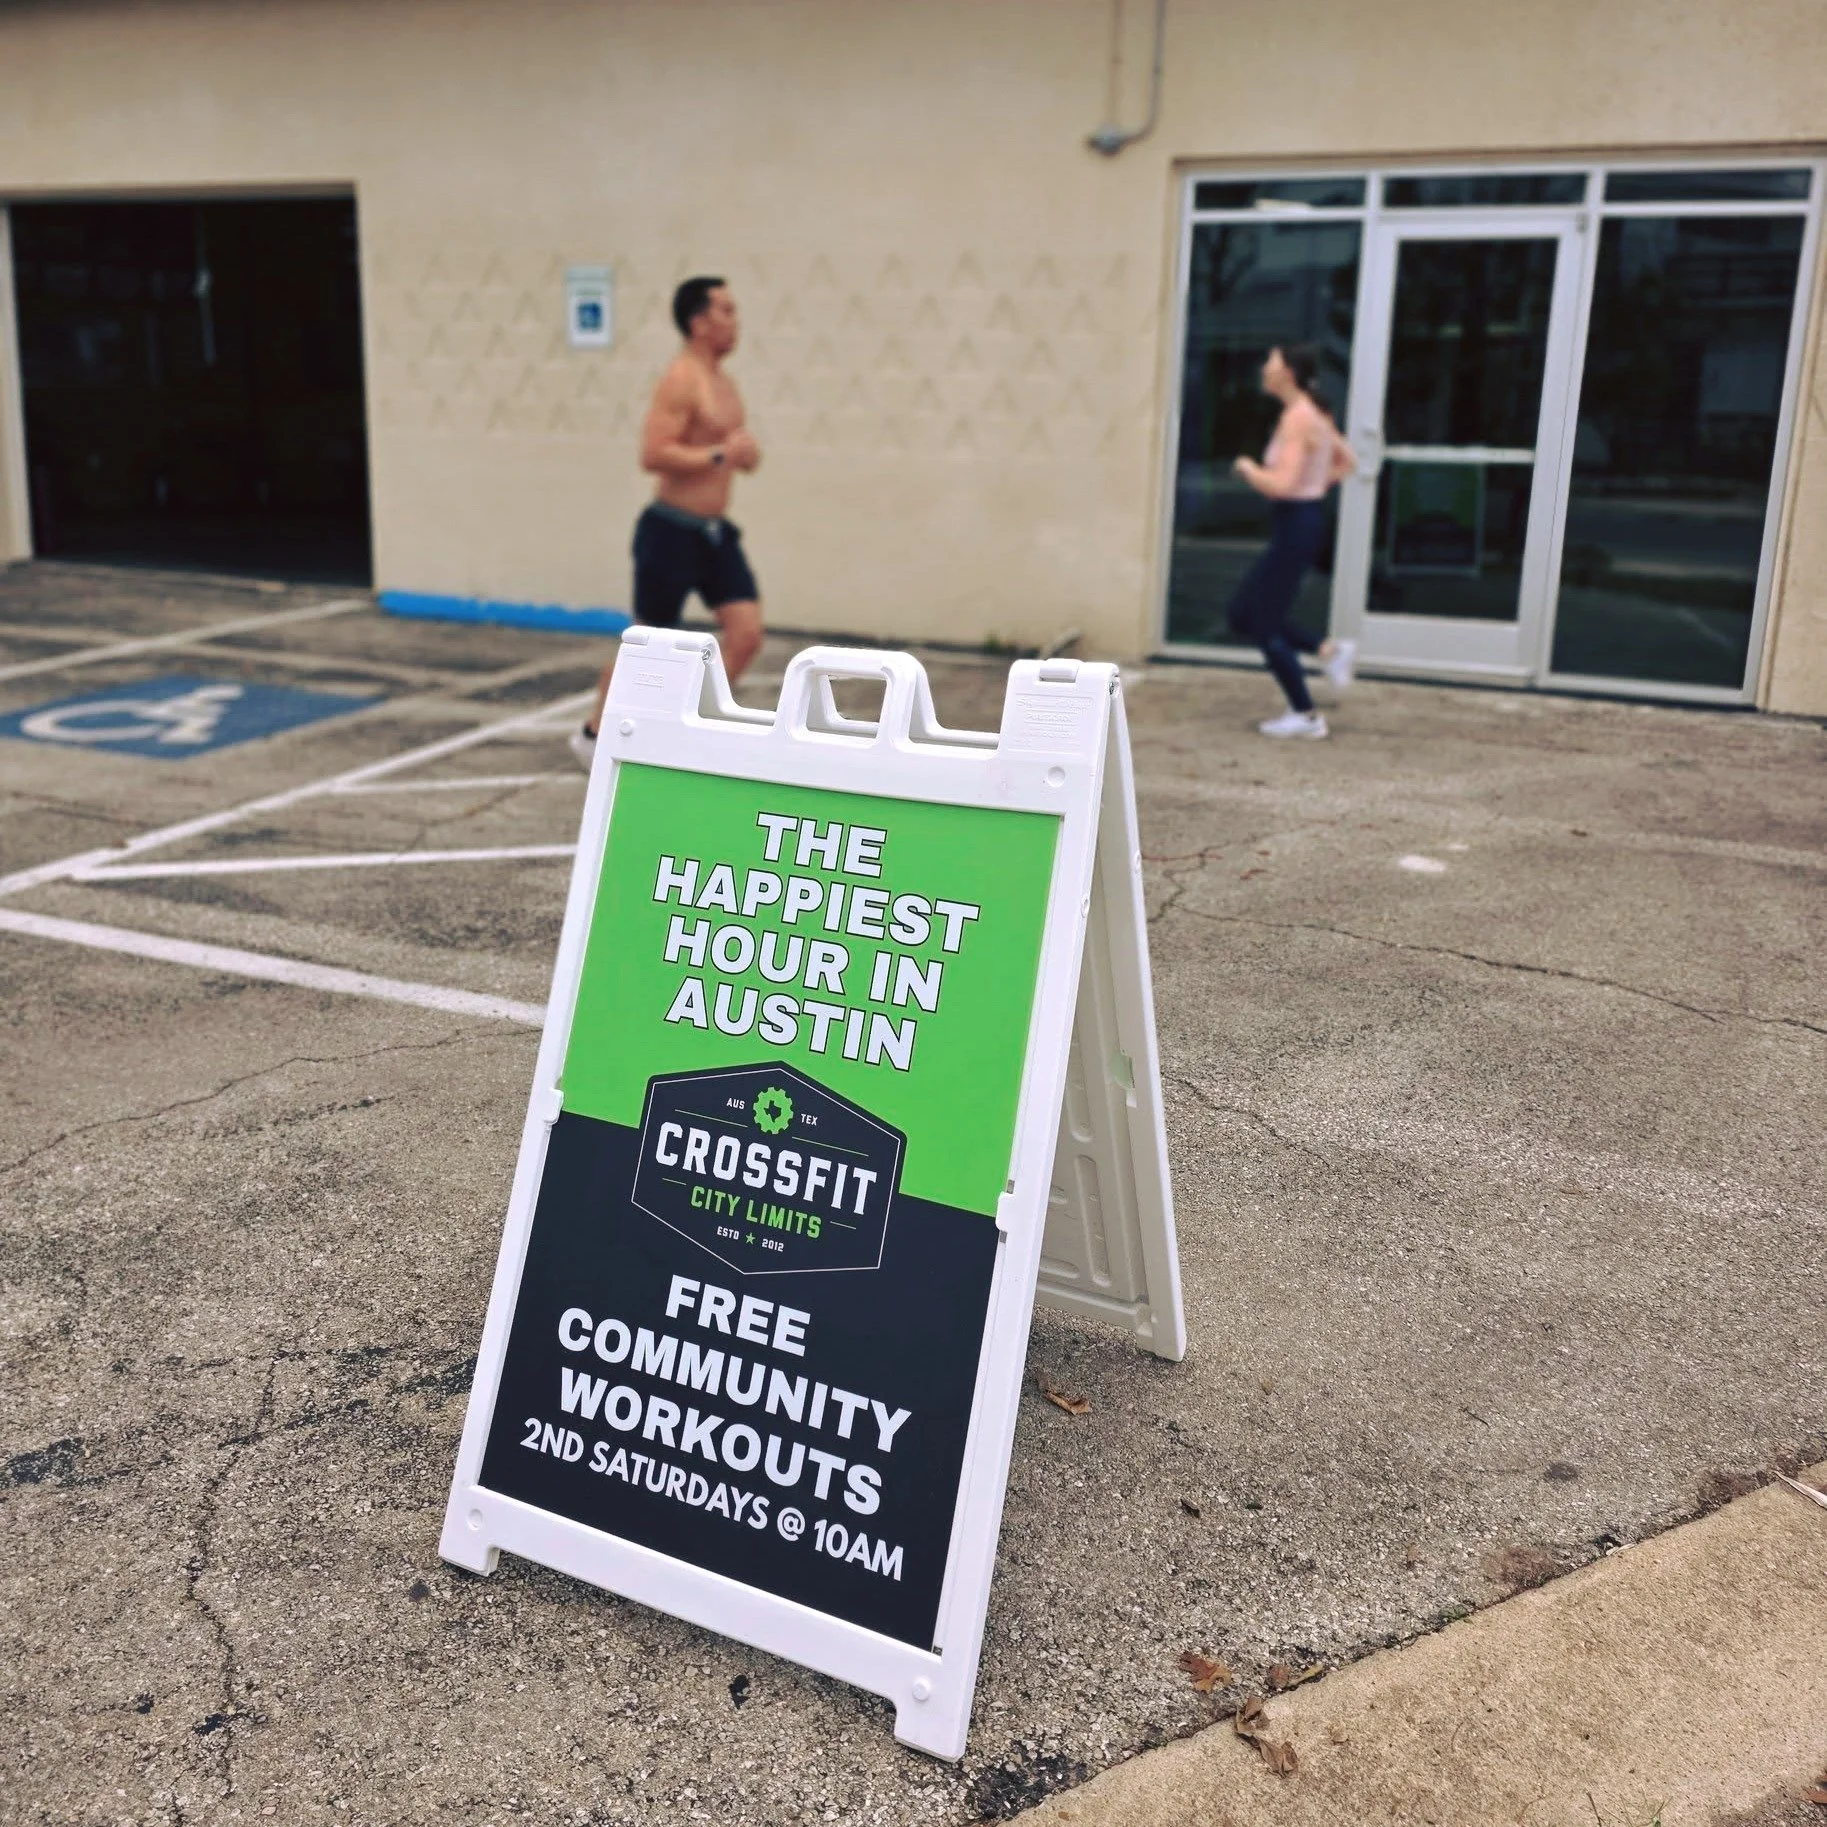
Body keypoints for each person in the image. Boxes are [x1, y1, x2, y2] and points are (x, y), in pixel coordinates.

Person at [571, 276, 763, 768]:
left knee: (746, 634)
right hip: (671, 530)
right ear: (699, 323)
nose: (735, 321)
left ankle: (689, 724)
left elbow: (730, 452)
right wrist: (721, 453)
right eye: (725, 311)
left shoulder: (726, 384)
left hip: (715, 534)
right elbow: (654, 454)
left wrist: (743, 456)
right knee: (647, 644)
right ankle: (594, 734)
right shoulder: (681, 378)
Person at [1227, 344, 1358, 739]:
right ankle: (1327, 651)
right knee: (1243, 614)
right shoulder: (1312, 412)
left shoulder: (1299, 418)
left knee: (1262, 622)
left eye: (1270, 362)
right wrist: (1314, 485)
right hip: (1299, 522)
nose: (1264, 368)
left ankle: (1305, 714)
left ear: (1287, 372)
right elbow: (1346, 462)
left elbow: (1282, 485)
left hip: (1296, 523)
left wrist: (1248, 468)